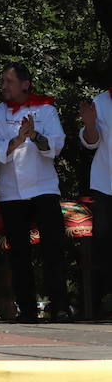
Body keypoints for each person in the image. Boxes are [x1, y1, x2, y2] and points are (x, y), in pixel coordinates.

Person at [0, 63, 68, 322]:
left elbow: (57, 144)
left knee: (53, 250)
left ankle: (61, 307)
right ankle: (28, 309)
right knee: (19, 254)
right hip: (12, 193)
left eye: (9, 81)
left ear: (25, 84)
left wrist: (35, 135)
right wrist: (19, 139)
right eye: (2, 81)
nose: (4, 86)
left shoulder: (46, 110)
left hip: (44, 188)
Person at [80, 82, 112, 315]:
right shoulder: (100, 102)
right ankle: (105, 298)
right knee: (105, 242)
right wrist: (90, 123)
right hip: (106, 183)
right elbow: (91, 142)